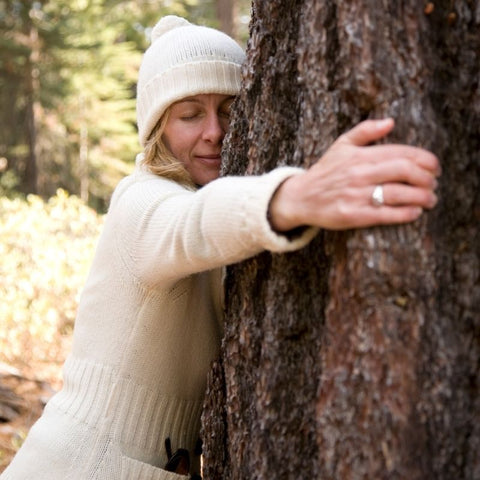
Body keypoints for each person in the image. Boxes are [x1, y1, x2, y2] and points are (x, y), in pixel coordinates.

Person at [1, 15, 440, 480]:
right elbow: (194, 224)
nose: (214, 130)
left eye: (229, 110)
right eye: (190, 114)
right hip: (78, 465)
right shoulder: (140, 201)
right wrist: (298, 195)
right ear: (157, 129)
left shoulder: (211, 199)